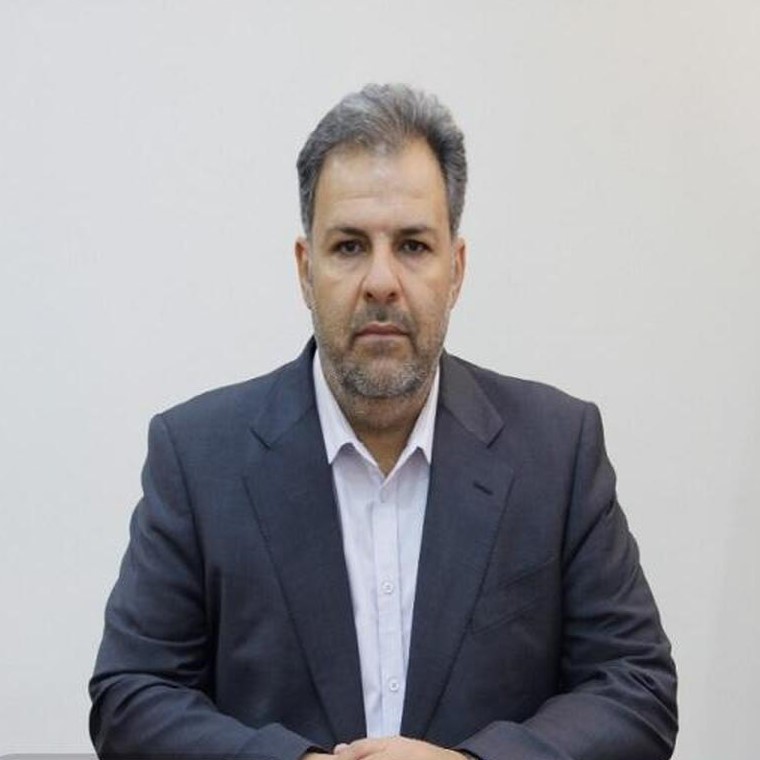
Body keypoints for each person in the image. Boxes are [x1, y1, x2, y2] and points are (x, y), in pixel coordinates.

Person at [89, 84, 678, 760]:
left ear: (456, 270)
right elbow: (131, 697)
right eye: (348, 247)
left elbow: (636, 690)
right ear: (305, 270)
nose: (380, 281)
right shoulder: (197, 458)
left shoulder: (558, 450)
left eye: (413, 245)